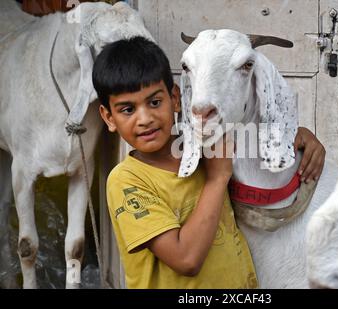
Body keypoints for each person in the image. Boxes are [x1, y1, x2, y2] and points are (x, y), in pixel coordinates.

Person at [93, 37, 325, 289]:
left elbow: (261, 142)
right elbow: (186, 259)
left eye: (154, 102)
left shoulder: (205, 147)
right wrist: (217, 179)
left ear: (175, 98)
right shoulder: (126, 181)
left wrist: (301, 136)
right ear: (109, 117)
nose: (145, 118)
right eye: (128, 109)